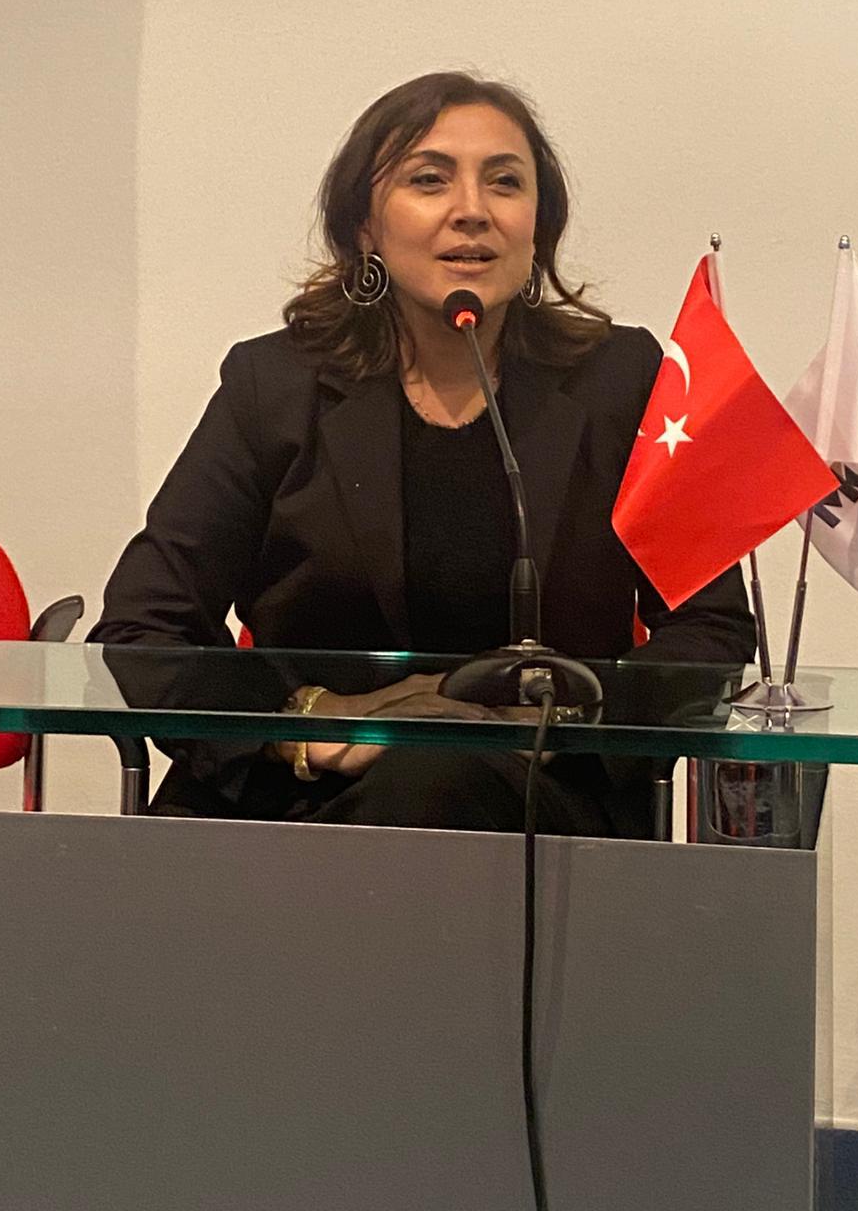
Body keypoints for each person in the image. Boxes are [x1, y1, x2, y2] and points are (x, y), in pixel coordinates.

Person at [91, 72, 755, 831]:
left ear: (537, 226)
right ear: (364, 227)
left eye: (505, 182)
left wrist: (569, 720)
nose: (472, 210)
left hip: (542, 796)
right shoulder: (275, 386)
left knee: (433, 778)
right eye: (429, 180)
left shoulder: (621, 379)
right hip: (296, 798)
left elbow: (711, 627)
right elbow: (145, 625)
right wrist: (305, 723)